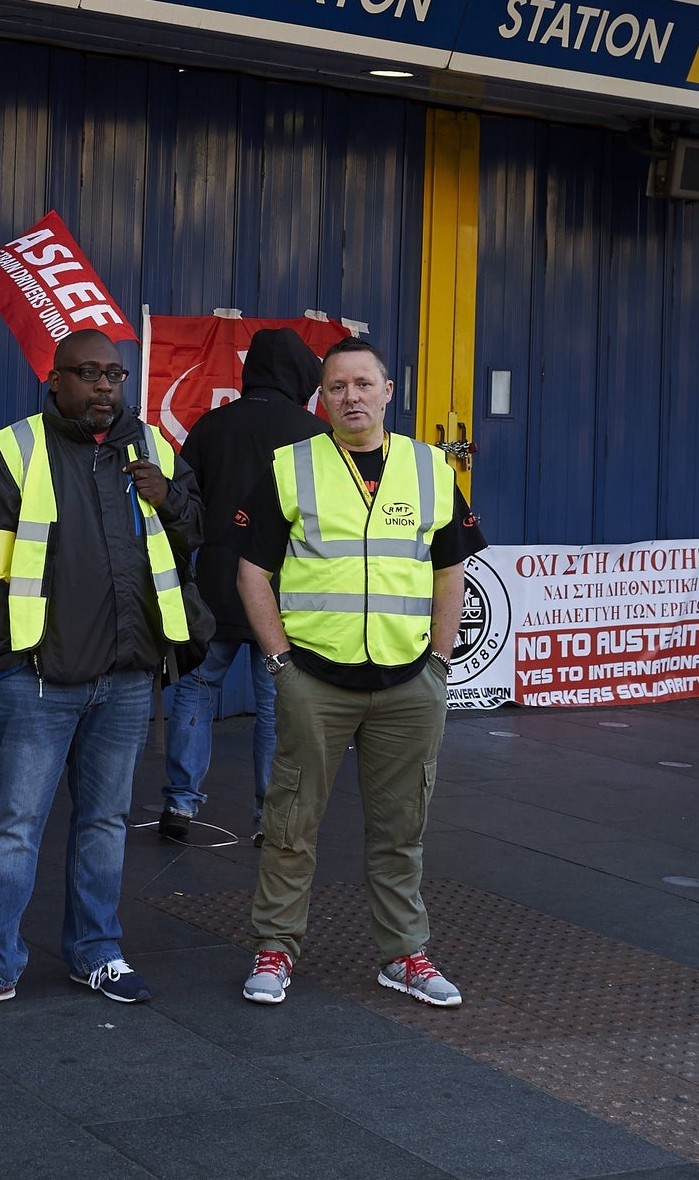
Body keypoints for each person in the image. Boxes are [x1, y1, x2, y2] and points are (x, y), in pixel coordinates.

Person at [0, 328, 203, 1015]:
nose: (105, 386)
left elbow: (195, 530)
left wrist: (167, 496)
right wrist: (10, 654)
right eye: (89, 373)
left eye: (114, 373)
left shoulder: (152, 448)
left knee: (106, 821)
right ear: (56, 380)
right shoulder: (15, 447)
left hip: (128, 673)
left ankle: (96, 951)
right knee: (14, 823)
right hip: (42, 679)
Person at [232, 336, 485, 1010]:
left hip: (408, 684)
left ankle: (404, 954)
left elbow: (450, 566)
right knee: (291, 823)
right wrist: (279, 660)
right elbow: (252, 571)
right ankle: (276, 947)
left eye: (363, 384)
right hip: (314, 678)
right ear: (321, 396)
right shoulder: (292, 467)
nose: (351, 397)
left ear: (388, 391)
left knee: (402, 828)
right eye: (337, 386)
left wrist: (439, 657)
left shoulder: (431, 468)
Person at [160, 327, 329, 846]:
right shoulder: (315, 435)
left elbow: (185, 506)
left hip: (213, 588)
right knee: (277, 708)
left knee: (195, 692)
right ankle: (266, 817)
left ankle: (179, 805)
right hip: (281, 593)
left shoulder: (211, 427)